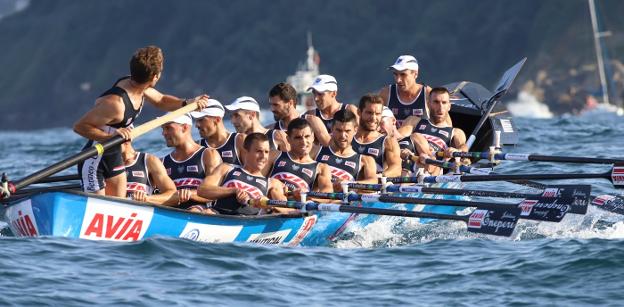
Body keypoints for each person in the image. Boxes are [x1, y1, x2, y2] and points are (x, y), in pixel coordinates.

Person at [74, 45, 209, 197]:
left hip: (114, 153)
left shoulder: (139, 85)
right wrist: (110, 137)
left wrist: (188, 102)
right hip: (94, 159)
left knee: (120, 204)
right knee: (101, 207)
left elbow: (161, 100)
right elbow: (80, 127)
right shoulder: (116, 104)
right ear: (155, 77)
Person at [197, 133, 291, 215]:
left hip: (249, 221)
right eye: (259, 151)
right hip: (219, 215)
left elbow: (286, 210)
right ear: (246, 152)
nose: (263, 156)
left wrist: (269, 205)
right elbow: (202, 190)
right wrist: (234, 191)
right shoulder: (226, 168)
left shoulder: (273, 183)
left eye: (266, 152)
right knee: (206, 212)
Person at [398, 87, 468, 175]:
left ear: (449, 106)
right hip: (410, 162)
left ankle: (428, 160)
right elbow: (398, 136)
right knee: (414, 137)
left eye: (444, 103)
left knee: (415, 136)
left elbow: (464, 148)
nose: (440, 107)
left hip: (431, 172)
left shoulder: (456, 132)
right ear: (428, 104)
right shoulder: (414, 121)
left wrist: (457, 151)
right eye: (436, 102)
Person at [160, 113, 222, 211]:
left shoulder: (208, 155)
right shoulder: (162, 162)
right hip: (173, 210)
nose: (163, 133)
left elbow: (215, 193)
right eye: (163, 129)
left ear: (184, 128)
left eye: (168, 128)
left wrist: (190, 194)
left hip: (201, 209)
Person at [311, 109, 377, 185]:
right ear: (332, 129)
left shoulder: (365, 160)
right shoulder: (315, 152)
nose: (343, 136)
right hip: (319, 196)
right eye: (339, 130)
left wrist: (347, 184)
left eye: (347, 131)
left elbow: (373, 182)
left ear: (355, 130)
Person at [267, 118, 333, 193]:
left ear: (313, 137)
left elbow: (327, 193)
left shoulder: (321, 168)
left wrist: (304, 195)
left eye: (307, 136)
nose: (303, 142)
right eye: (298, 138)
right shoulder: (274, 156)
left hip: (302, 202)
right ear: (288, 139)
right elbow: (257, 180)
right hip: (273, 201)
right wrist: (275, 184)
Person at [352, 94, 402, 177]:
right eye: (369, 113)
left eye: (378, 114)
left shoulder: (388, 141)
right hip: (345, 187)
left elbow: (396, 168)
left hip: (372, 188)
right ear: (359, 112)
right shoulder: (347, 137)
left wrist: (379, 176)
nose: (373, 118)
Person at [378, 55, 432, 127]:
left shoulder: (428, 94)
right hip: (393, 137)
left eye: (403, 74)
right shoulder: (386, 93)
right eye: (395, 74)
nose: (398, 80)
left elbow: (446, 126)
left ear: (415, 74)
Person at [304, 74, 358, 146]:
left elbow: (361, 138)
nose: (316, 98)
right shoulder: (310, 115)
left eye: (320, 94)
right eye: (314, 93)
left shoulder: (350, 110)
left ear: (333, 94)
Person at [121, 141, 177, 206]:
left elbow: (174, 196)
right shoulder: (108, 166)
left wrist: (147, 199)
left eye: (109, 139)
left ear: (126, 141)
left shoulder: (149, 160)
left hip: (141, 211)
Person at [192, 99, 246, 167]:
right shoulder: (197, 146)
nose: (197, 125)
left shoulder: (240, 140)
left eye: (201, 120)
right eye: (196, 121)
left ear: (217, 120)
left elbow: (252, 173)